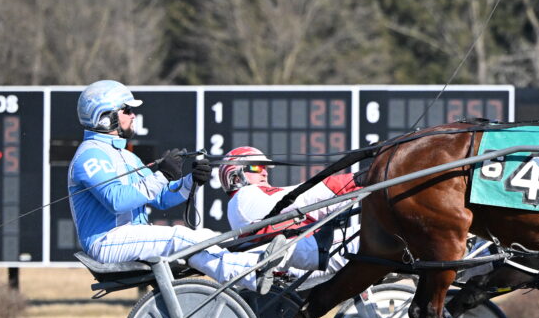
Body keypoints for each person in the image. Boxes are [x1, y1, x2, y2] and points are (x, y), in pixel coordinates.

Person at [68, 80, 284, 293]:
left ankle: (262, 271)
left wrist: (191, 181)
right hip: (106, 242)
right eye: (127, 110)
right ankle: (250, 276)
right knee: (182, 237)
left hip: (127, 236)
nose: (134, 115)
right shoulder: (90, 155)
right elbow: (117, 201)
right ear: (105, 117)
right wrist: (163, 174)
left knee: (204, 237)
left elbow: (161, 197)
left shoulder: (126, 156)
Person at [217, 146, 360, 283]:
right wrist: (359, 179)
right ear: (236, 178)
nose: (265, 173)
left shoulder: (251, 203)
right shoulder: (244, 197)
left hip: (303, 260)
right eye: (256, 167)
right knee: (374, 233)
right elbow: (306, 196)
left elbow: (319, 207)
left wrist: (357, 187)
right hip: (303, 259)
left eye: (265, 168)